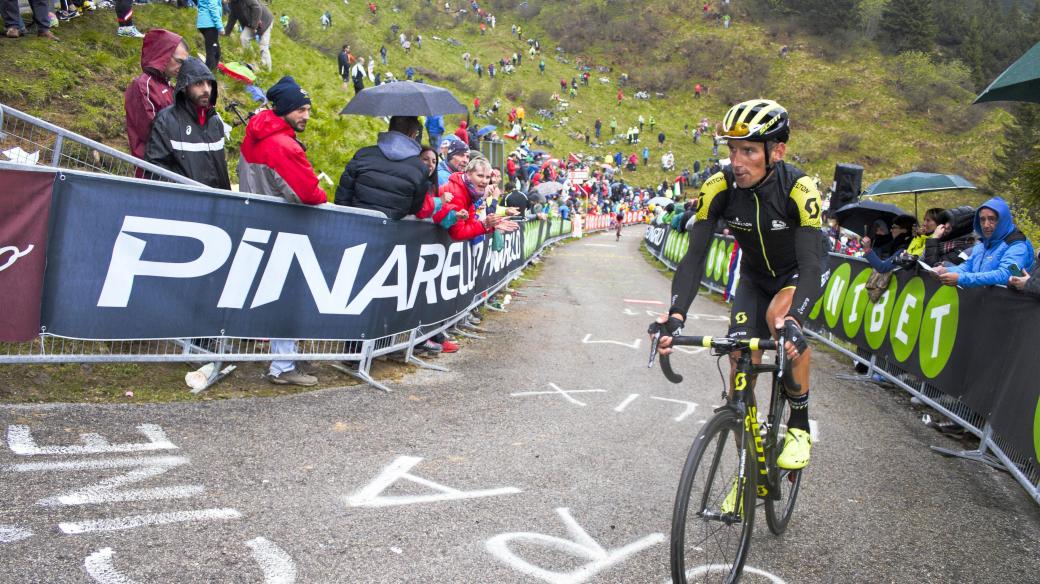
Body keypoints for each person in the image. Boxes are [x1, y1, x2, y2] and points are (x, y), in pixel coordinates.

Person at [652, 99, 824, 473]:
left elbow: (812, 263)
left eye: (748, 150)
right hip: (754, 276)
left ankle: (798, 424)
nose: (737, 161)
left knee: (779, 320)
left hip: (797, 275)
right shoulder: (719, 186)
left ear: (776, 151)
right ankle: (747, 471)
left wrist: (795, 319)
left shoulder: (800, 188)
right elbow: (695, 256)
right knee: (738, 365)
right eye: (732, 150)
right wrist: (677, 313)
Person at [238, 76, 327, 386]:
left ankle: (283, 357)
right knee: (286, 297)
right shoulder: (283, 146)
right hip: (282, 229)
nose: (306, 116)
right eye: (301, 109)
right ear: (286, 108)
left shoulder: (256, 133)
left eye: (308, 109)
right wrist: (319, 188)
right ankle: (283, 365)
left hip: (259, 223)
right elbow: (308, 194)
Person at [145, 57, 230, 189]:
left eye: (209, 83)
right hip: (184, 204)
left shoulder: (215, 121)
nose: (206, 89)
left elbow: (221, 170)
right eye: (199, 84)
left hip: (216, 203)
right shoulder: (166, 121)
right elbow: (156, 168)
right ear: (184, 87)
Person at [335, 116, 429, 219]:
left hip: (355, 224)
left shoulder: (363, 154)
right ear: (413, 135)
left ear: (389, 128)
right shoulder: (421, 169)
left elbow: (343, 195)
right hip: (391, 230)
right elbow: (414, 208)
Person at [932, 197, 1035, 288]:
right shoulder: (983, 244)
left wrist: (961, 279)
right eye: (982, 220)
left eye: (992, 219)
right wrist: (946, 271)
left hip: (1010, 306)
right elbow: (968, 266)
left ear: (1003, 220)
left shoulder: (1017, 244)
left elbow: (1005, 275)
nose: (986, 225)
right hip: (983, 304)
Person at [125, 29, 189, 160]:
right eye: (179, 61)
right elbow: (152, 131)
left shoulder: (168, 85)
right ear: (163, 55)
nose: (182, 67)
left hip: (172, 162)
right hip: (153, 165)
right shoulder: (143, 85)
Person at [439, 158, 519, 242]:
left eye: (487, 177)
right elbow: (457, 233)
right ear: (468, 174)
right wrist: (485, 225)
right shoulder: (457, 193)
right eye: (480, 176)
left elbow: (470, 222)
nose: (484, 181)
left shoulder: (469, 191)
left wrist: (491, 225)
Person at [225, 0, 273, 71]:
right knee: (243, 38)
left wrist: (254, 26)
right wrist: (226, 33)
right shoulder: (233, 4)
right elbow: (232, 18)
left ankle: (267, 69)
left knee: (263, 45)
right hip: (252, 23)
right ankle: (252, 60)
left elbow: (257, 8)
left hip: (265, 20)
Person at [197, 0, 222, 71]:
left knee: (216, 51)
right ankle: (207, 74)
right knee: (212, 51)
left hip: (206, 23)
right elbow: (213, 7)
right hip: (210, 24)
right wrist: (220, 26)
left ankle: (212, 72)